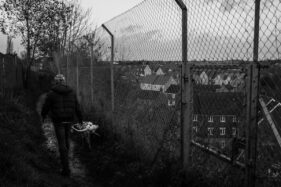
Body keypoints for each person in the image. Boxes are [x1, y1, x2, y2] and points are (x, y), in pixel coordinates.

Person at [41, 74, 83, 177]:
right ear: (64, 82)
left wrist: (43, 116)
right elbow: (77, 107)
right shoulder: (72, 92)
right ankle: (66, 159)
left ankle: (65, 169)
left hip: (58, 121)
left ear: (55, 82)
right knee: (67, 139)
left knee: (61, 142)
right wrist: (80, 119)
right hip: (69, 120)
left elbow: (46, 107)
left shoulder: (51, 93)